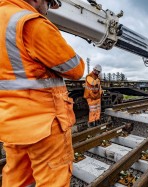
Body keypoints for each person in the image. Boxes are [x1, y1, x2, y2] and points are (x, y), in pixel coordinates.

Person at [0, 0, 85, 186]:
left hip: (11, 123)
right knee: (53, 179)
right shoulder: (30, 22)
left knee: (17, 180)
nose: (47, 10)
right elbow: (76, 69)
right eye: (48, 3)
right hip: (45, 125)